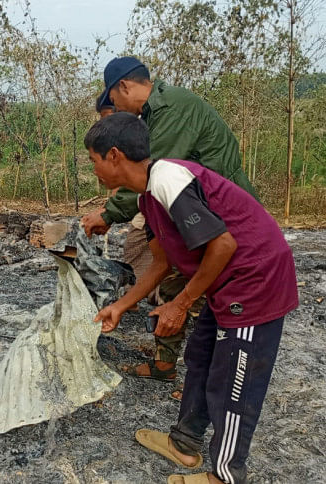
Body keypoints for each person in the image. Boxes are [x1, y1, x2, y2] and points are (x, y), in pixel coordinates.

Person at [86, 113, 298, 484]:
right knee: (200, 357)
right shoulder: (148, 197)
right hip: (223, 283)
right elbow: (161, 263)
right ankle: (184, 443)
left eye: (94, 160)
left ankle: (226, 474)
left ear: (115, 155)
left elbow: (223, 243)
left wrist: (180, 303)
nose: (94, 170)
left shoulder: (169, 179)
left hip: (254, 279)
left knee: (234, 377)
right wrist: (120, 306)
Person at [81, 56, 259, 382]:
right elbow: (160, 261)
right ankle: (171, 364)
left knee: (204, 296)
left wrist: (109, 214)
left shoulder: (170, 116)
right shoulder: (153, 182)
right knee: (170, 274)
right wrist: (121, 305)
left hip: (224, 222)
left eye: (113, 101)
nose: (116, 108)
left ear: (123, 86)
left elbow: (148, 169)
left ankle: (215, 371)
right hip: (197, 216)